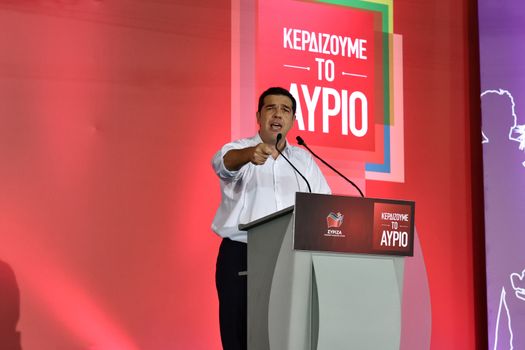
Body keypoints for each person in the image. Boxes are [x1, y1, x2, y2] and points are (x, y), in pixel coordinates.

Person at [211, 87, 331, 350]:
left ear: (293, 120)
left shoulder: (303, 159)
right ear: (258, 115)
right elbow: (223, 163)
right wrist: (249, 155)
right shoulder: (241, 149)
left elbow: (324, 204)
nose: (278, 114)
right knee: (239, 336)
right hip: (243, 255)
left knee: (283, 336)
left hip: (290, 257)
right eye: (271, 108)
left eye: (285, 109)